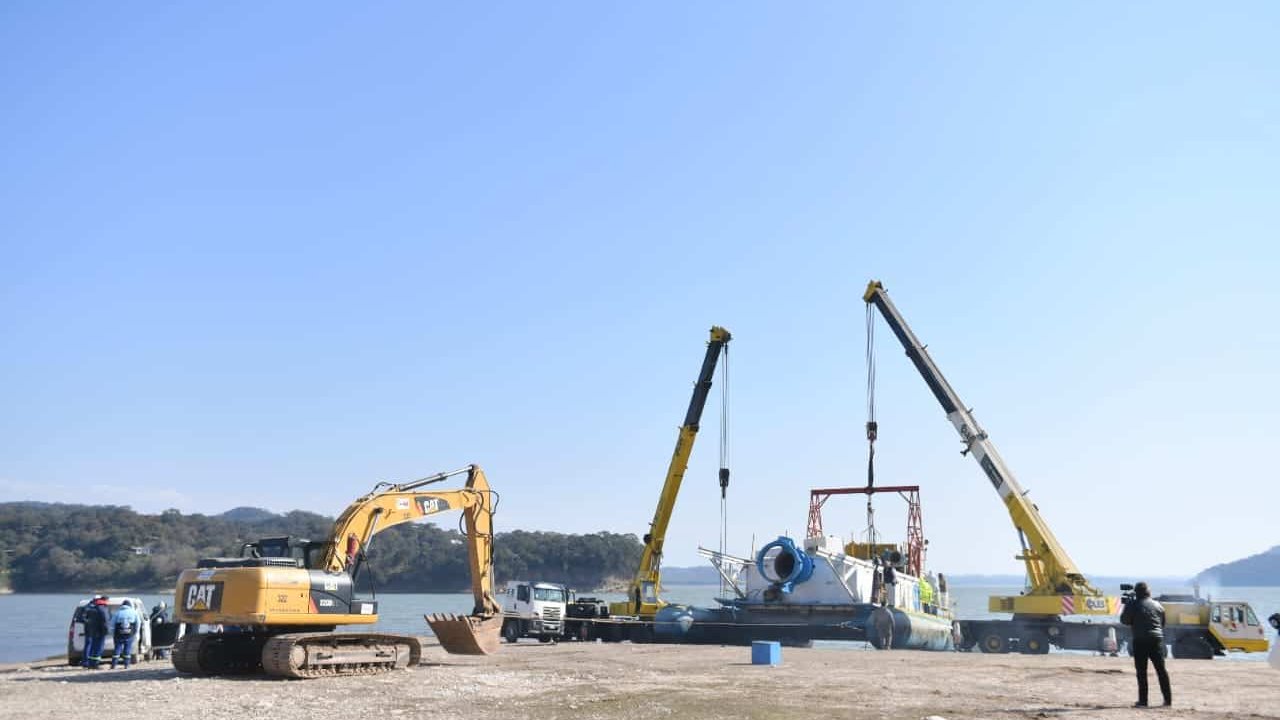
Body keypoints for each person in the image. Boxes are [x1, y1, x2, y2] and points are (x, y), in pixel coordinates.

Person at [1119, 582, 1171, 707]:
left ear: (1136, 593)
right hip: (1157, 639)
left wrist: (1128, 605)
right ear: (1149, 592)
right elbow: (1162, 623)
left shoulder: (1133, 604)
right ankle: (1168, 700)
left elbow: (1124, 620)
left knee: (1142, 671)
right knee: (1161, 670)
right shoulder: (1158, 605)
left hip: (1140, 639)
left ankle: (1143, 701)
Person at [109, 599, 141, 669]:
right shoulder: (134, 612)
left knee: (117, 649)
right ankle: (126, 665)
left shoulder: (117, 612)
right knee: (127, 649)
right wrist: (136, 632)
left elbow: (112, 624)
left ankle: (114, 665)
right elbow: (138, 623)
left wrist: (112, 633)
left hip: (118, 634)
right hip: (129, 634)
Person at [81, 596, 110, 669]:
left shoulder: (93, 608)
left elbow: (87, 620)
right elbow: (105, 621)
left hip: (93, 631)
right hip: (100, 631)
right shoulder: (103, 609)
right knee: (99, 648)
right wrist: (106, 631)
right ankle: (95, 664)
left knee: (93, 647)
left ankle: (90, 663)